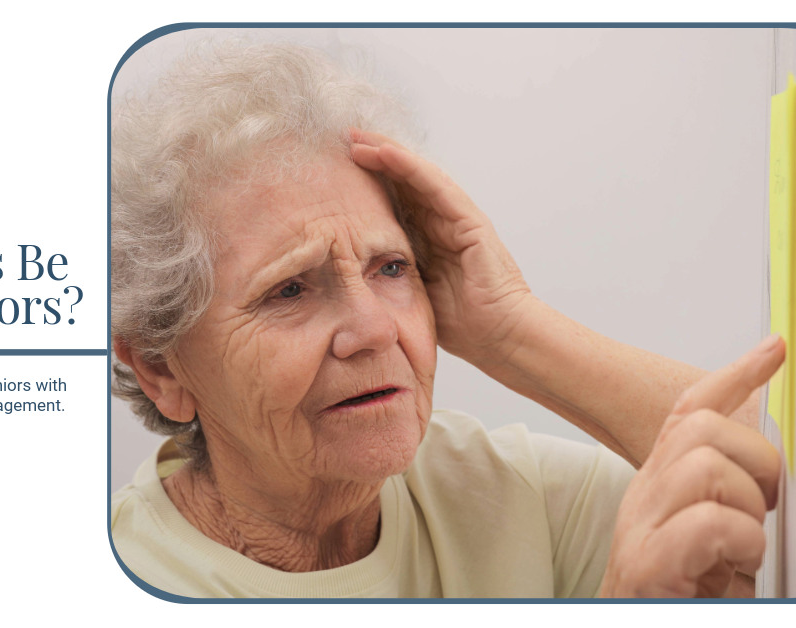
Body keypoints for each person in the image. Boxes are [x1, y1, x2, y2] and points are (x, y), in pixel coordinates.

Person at [110, 39, 782, 598]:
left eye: (392, 268)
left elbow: (771, 467)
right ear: (162, 366)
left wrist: (511, 330)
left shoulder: (499, 491)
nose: (375, 329)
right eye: (289, 291)